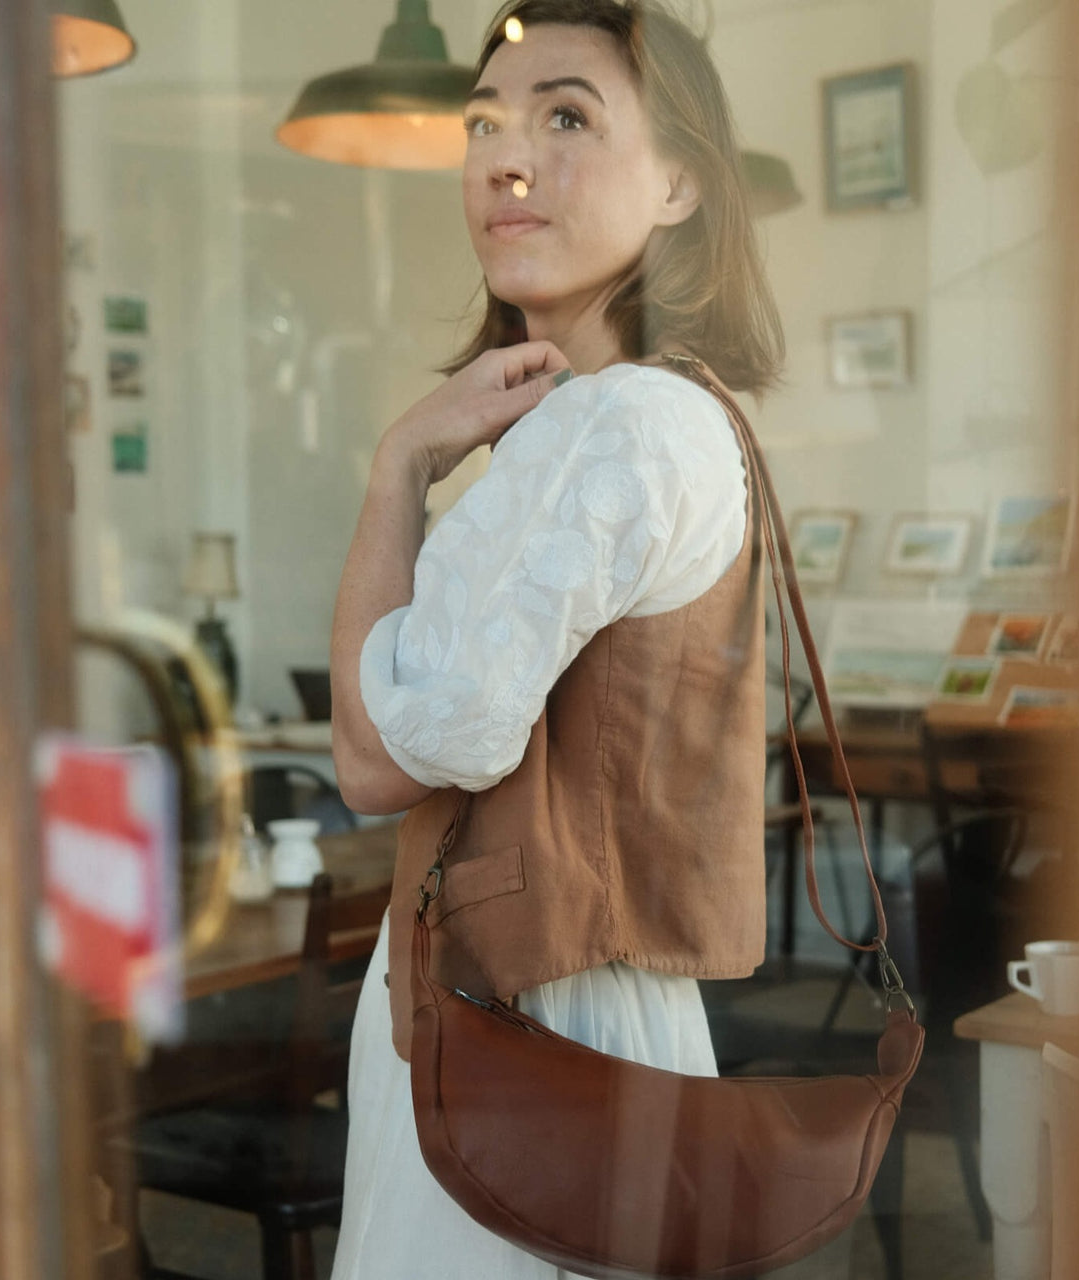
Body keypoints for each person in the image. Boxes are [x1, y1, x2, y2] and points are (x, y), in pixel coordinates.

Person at [329, 1, 784, 1275]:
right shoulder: (628, 420)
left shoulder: (623, 425)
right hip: (527, 1013)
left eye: (566, 116)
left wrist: (395, 467)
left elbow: (380, 762)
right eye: (483, 121)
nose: (504, 158)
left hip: (538, 1026)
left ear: (682, 180)